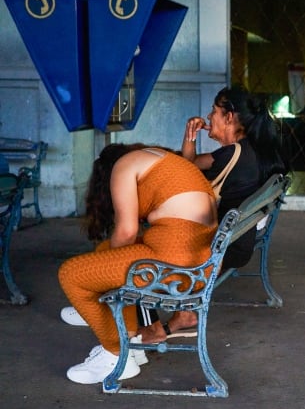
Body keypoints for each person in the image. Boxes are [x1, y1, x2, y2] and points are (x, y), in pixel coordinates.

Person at [137, 85, 289, 342]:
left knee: (140, 249)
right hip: (236, 242)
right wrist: (190, 135)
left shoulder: (232, 154)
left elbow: (186, 170)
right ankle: (175, 315)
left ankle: (150, 326)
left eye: (214, 111)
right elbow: (192, 166)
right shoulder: (247, 150)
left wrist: (189, 137)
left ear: (229, 117)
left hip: (219, 247)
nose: (208, 117)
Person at [58, 144, 218, 384]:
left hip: (176, 266)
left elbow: (127, 231)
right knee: (104, 253)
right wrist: (106, 261)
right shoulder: (156, 158)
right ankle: (132, 346)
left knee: (71, 274)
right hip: (199, 260)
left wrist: (104, 271)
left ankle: (116, 355)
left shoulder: (122, 168)